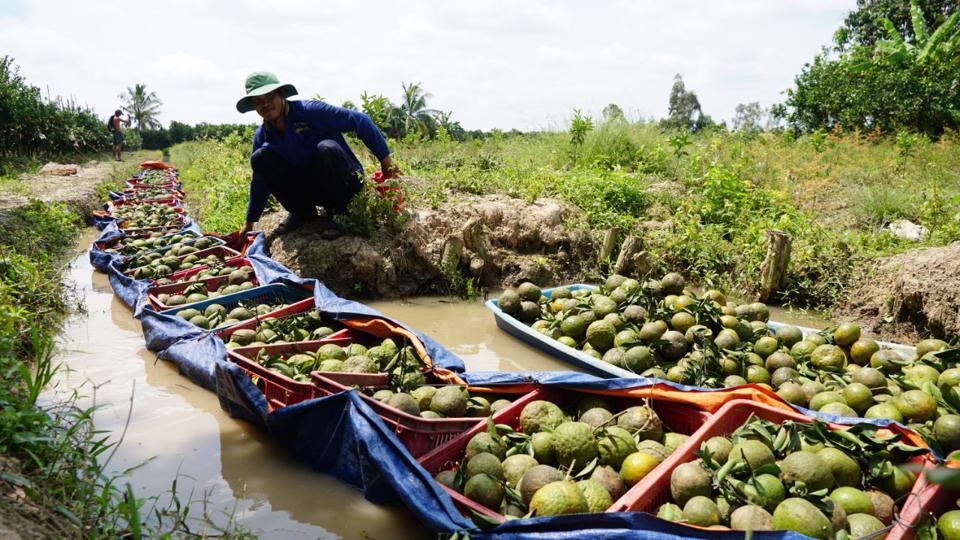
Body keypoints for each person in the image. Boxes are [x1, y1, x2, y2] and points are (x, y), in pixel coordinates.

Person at [236, 72, 401, 238]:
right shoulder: (263, 135)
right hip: (313, 189)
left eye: (269, 96)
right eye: (257, 101)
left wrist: (387, 164)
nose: (265, 104)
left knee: (326, 149)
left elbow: (360, 120)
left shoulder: (309, 111)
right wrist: (250, 221)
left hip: (345, 183)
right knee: (259, 158)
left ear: (281, 95)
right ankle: (302, 213)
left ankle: (342, 212)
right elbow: (260, 178)